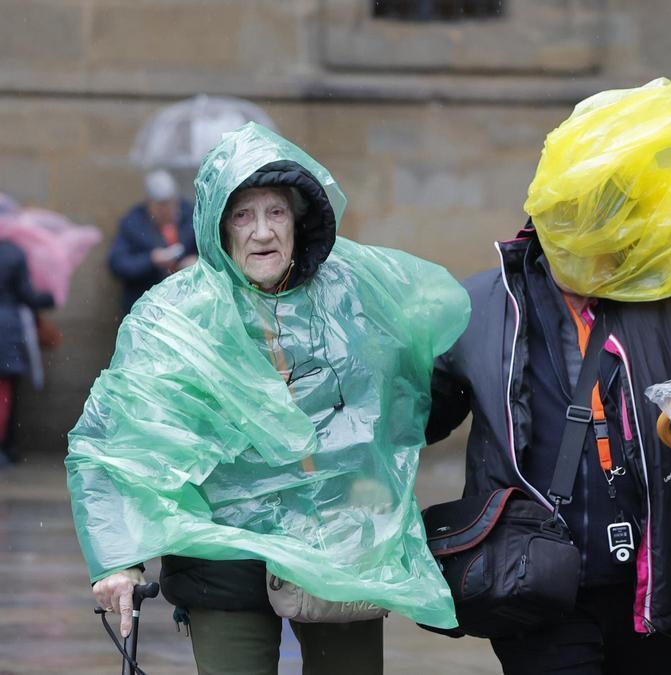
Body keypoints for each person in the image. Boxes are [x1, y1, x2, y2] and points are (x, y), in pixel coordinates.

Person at [76, 124, 467, 674]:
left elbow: (424, 373)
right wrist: (120, 559)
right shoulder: (174, 317)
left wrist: (389, 464)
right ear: (219, 226)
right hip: (224, 558)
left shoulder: (352, 291)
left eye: (276, 213)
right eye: (243, 215)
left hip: (340, 547)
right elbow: (121, 440)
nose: (262, 233)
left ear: (298, 220)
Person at [426, 223, 671, 674]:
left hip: (648, 583)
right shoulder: (481, 303)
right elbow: (421, 418)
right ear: (541, 222)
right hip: (528, 578)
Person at [108, 169, 198, 314]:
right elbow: (117, 263)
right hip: (147, 303)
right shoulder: (133, 223)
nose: (166, 211)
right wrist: (150, 260)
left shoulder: (192, 216)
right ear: (148, 204)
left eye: (169, 204)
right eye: (160, 206)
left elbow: (214, 251)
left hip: (187, 302)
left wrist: (197, 262)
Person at [0, 240, 54, 465]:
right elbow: (27, 294)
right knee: (5, 394)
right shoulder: (13, 251)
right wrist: (49, 298)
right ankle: (5, 448)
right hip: (7, 330)